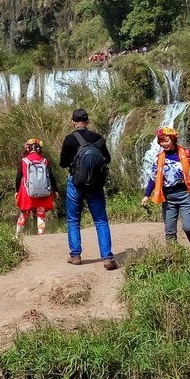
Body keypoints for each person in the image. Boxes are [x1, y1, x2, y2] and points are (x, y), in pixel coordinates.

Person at [140, 126, 190, 265]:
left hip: (185, 195)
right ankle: (173, 259)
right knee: (170, 231)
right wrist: (147, 194)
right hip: (168, 198)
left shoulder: (186, 154)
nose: (164, 143)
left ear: (173, 139)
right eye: (161, 141)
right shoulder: (160, 158)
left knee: (188, 227)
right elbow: (154, 178)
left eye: (166, 140)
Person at [59, 108, 115, 269]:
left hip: (75, 183)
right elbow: (108, 159)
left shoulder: (69, 139)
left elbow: (63, 163)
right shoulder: (97, 138)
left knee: (73, 219)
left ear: (73, 122)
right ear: (88, 122)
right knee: (101, 220)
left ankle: (75, 256)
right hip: (95, 185)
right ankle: (108, 258)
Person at [15, 138, 57, 237]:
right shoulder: (44, 161)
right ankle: (41, 234)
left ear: (28, 148)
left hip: (26, 192)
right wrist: (55, 190)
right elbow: (51, 177)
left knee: (24, 214)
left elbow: (18, 178)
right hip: (43, 191)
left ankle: (17, 236)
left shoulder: (24, 161)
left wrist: (17, 191)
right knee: (40, 214)